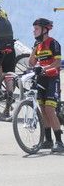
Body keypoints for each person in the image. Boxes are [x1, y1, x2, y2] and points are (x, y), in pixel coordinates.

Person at [29, 18, 64, 152]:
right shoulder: (37, 45)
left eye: (36, 29)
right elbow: (31, 63)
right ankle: (48, 140)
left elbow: (57, 63)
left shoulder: (53, 43)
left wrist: (44, 68)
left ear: (45, 30)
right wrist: (34, 49)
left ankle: (59, 142)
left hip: (52, 79)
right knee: (43, 110)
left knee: (49, 109)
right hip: (41, 80)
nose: (34, 31)